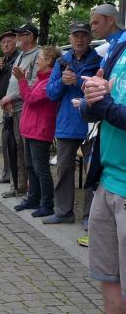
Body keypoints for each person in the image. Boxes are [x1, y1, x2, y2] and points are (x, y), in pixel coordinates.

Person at [79, 21, 126, 314]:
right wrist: (90, 98)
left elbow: (109, 107)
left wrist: (103, 103)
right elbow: (91, 111)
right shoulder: (119, 50)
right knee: (107, 272)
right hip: (107, 179)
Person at [45, 22, 101, 225]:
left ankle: (90, 217)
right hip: (66, 125)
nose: (80, 39)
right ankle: (63, 212)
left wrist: (78, 81)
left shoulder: (99, 61)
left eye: (84, 35)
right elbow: (50, 94)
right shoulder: (61, 62)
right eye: (76, 36)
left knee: (92, 173)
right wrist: (62, 82)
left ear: (89, 38)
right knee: (63, 170)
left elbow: (102, 91)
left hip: (90, 126)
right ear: (70, 39)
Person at [12, 46, 62, 218]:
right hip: (31, 130)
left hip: (40, 131)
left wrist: (21, 80)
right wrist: (24, 81)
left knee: (41, 169)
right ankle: (33, 198)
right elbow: (29, 96)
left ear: (48, 61)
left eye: (40, 57)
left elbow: (31, 98)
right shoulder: (41, 80)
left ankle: (47, 204)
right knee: (31, 167)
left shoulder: (49, 82)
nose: (38, 60)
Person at [0, 23, 41, 198]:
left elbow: (34, 83)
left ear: (30, 37)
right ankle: (18, 185)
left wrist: (10, 97)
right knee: (15, 147)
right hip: (13, 108)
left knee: (25, 150)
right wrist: (8, 99)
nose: (16, 38)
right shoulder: (21, 55)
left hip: (25, 108)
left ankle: (30, 189)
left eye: (20, 35)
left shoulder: (38, 55)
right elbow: (14, 81)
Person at [0, 30, 21, 186]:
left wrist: (11, 98)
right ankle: (7, 174)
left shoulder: (19, 59)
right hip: (5, 106)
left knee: (16, 143)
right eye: (3, 43)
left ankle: (18, 179)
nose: (6, 45)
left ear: (16, 42)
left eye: (9, 41)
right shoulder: (3, 60)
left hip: (17, 105)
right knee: (6, 141)